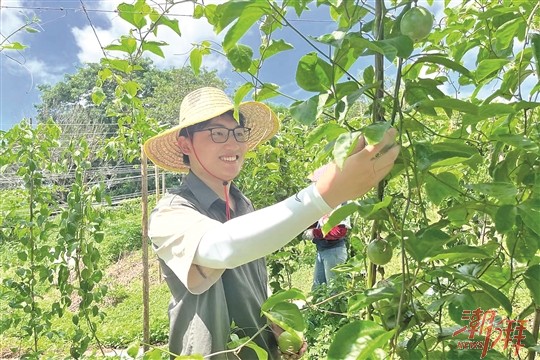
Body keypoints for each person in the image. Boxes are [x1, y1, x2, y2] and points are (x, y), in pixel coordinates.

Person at [143, 87, 400, 359]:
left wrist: (274, 323)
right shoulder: (170, 212)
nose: (233, 144)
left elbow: (253, 279)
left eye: (239, 133)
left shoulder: (244, 205)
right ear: (186, 144)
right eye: (217, 133)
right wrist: (322, 195)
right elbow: (222, 248)